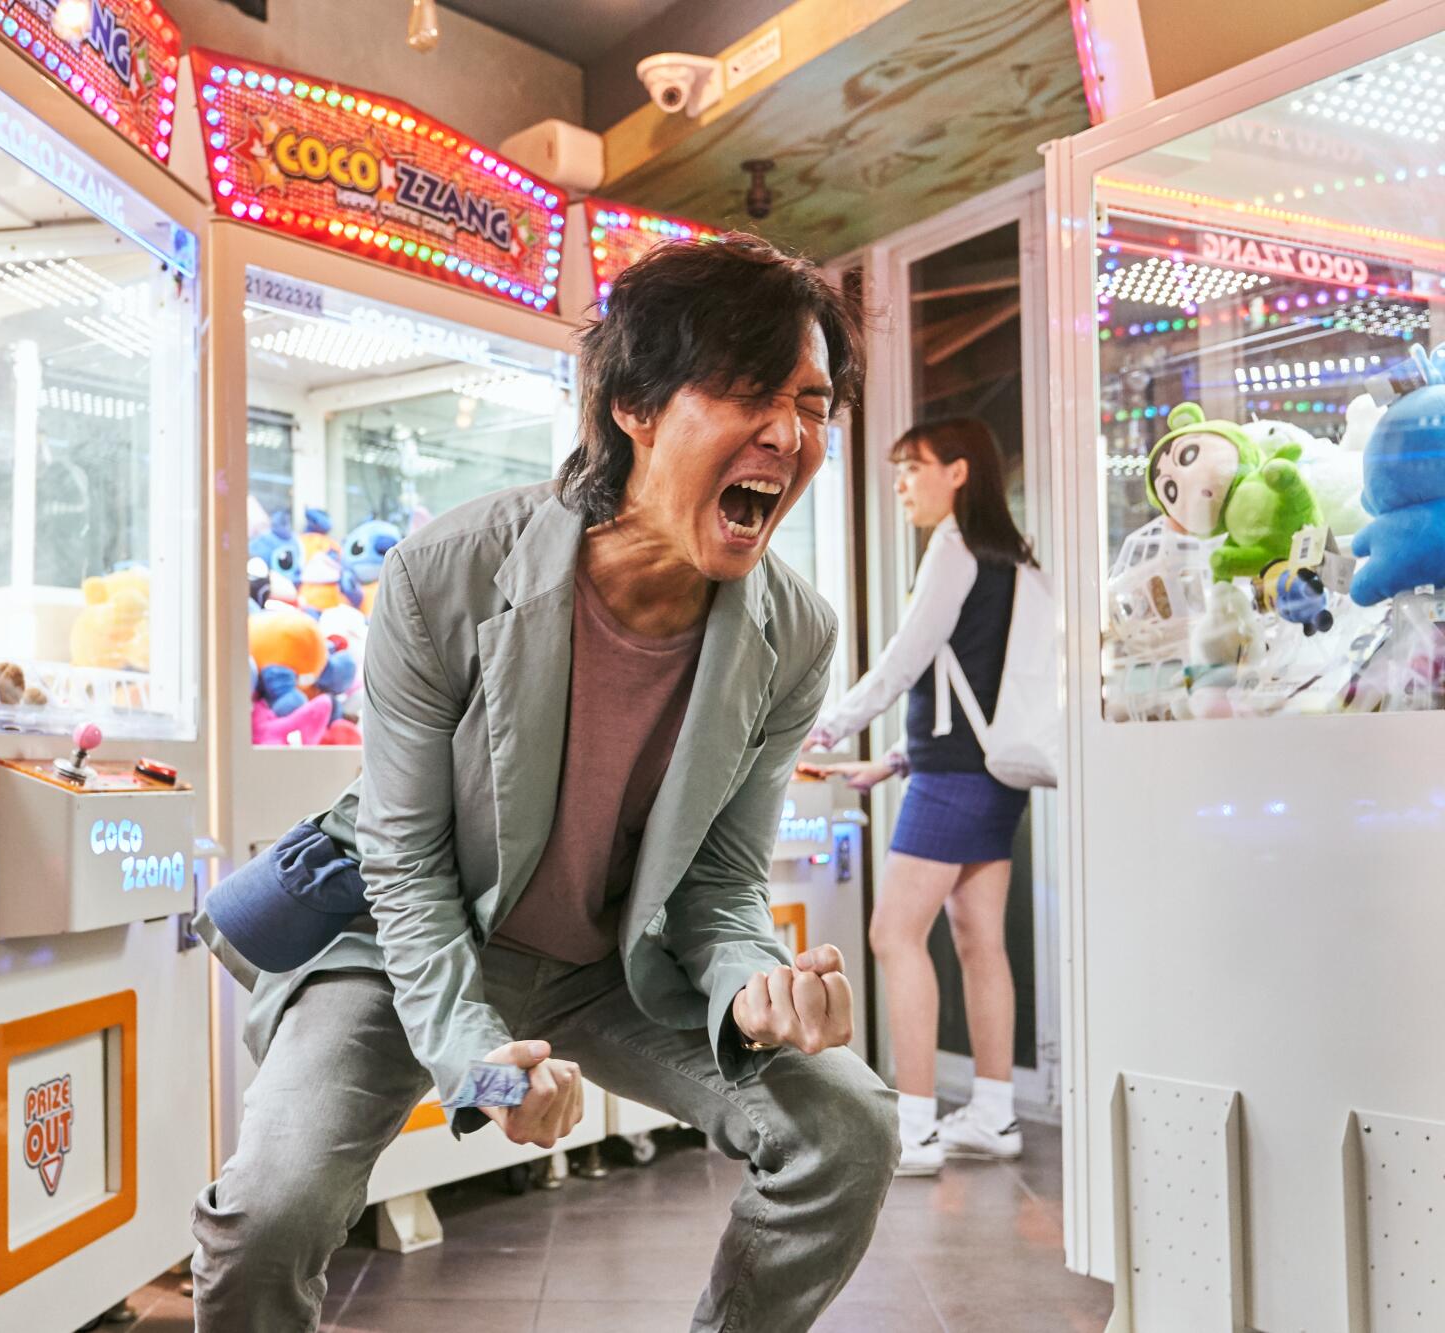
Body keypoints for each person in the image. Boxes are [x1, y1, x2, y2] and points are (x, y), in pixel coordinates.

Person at [191, 235, 900, 1332]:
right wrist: (478, 1066)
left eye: (811, 403)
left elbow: (718, 882)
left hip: (608, 968)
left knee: (845, 1124)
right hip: (396, 944)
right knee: (269, 1211)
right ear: (633, 405)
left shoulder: (794, 633)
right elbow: (405, 860)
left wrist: (754, 982)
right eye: (747, 391)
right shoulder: (447, 572)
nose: (788, 434)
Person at [804, 418, 1037, 1178]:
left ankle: (914, 1126)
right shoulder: (1015, 558)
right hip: (990, 773)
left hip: (954, 778)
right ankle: (995, 1113)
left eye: (914, 467)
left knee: (892, 933)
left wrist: (831, 726)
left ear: (960, 472)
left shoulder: (953, 547)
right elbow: (971, 684)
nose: (902, 483)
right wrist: (895, 759)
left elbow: (907, 659)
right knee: (978, 939)